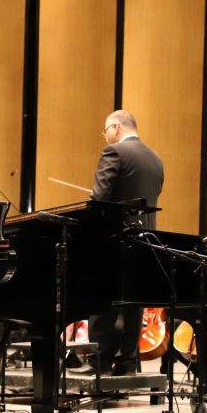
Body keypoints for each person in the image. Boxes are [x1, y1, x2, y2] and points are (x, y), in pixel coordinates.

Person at [74, 110, 164, 376]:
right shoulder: (156, 159)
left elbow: (99, 200)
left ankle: (99, 362)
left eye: (105, 131)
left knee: (103, 300)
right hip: (145, 241)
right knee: (133, 302)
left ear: (115, 127)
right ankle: (126, 363)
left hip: (114, 239)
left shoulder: (114, 153)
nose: (105, 137)